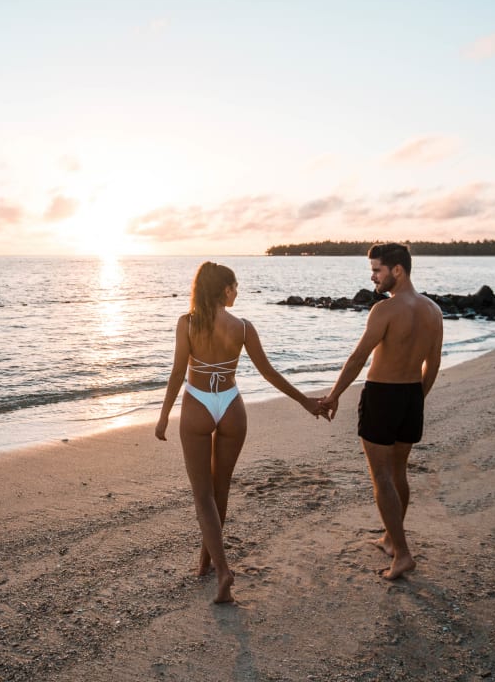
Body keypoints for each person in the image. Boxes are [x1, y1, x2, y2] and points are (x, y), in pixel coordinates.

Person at [156, 261, 325, 603]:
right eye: (235, 286)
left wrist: (162, 417)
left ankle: (221, 572)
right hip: (231, 405)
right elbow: (270, 374)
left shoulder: (187, 324)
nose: (237, 292)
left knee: (203, 496)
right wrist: (305, 401)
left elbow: (177, 374)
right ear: (224, 290)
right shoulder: (243, 327)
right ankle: (206, 563)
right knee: (221, 490)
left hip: (198, 405)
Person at [318, 243, 443, 580]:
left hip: (383, 395)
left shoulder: (385, 310)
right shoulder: (433, 310)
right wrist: (419, 396)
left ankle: (402, 553)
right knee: (398, 472)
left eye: (377, 270)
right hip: (411, 395)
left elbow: (359, 358)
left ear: (397, 270)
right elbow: (434, 362)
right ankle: (391, 538)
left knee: (381, 478)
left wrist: (333, 395)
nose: (373, 277)